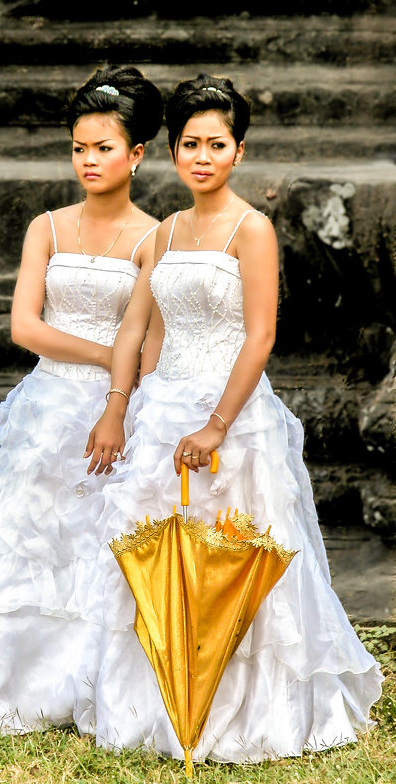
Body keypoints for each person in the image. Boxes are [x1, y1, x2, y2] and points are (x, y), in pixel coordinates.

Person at [83, 73, 383, 764]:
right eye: (190, 143)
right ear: (172, 150)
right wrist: (118, 407)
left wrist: (217, 423)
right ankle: (162, 703)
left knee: (240, 552)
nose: (202, 156)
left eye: (217, 143)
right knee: (160, 555)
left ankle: (249, 709)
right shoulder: (163, 233)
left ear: (238, 152)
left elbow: (260, 337)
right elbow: (139, 327)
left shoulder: (253, 229)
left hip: (233, 413)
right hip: (163, 408)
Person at [0, 64, 164, 736]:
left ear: (137, 153)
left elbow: (143, 339)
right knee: (29, 536)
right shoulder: (49, 227)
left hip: (115, 407)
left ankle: (91, 689)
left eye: (104, 148)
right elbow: (25, 326)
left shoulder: (154, 238)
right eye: (78, 148)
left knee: (100, 540)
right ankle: (2, 692)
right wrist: (99, 355)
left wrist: (119, 397)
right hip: (49, 400)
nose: (89, 160)